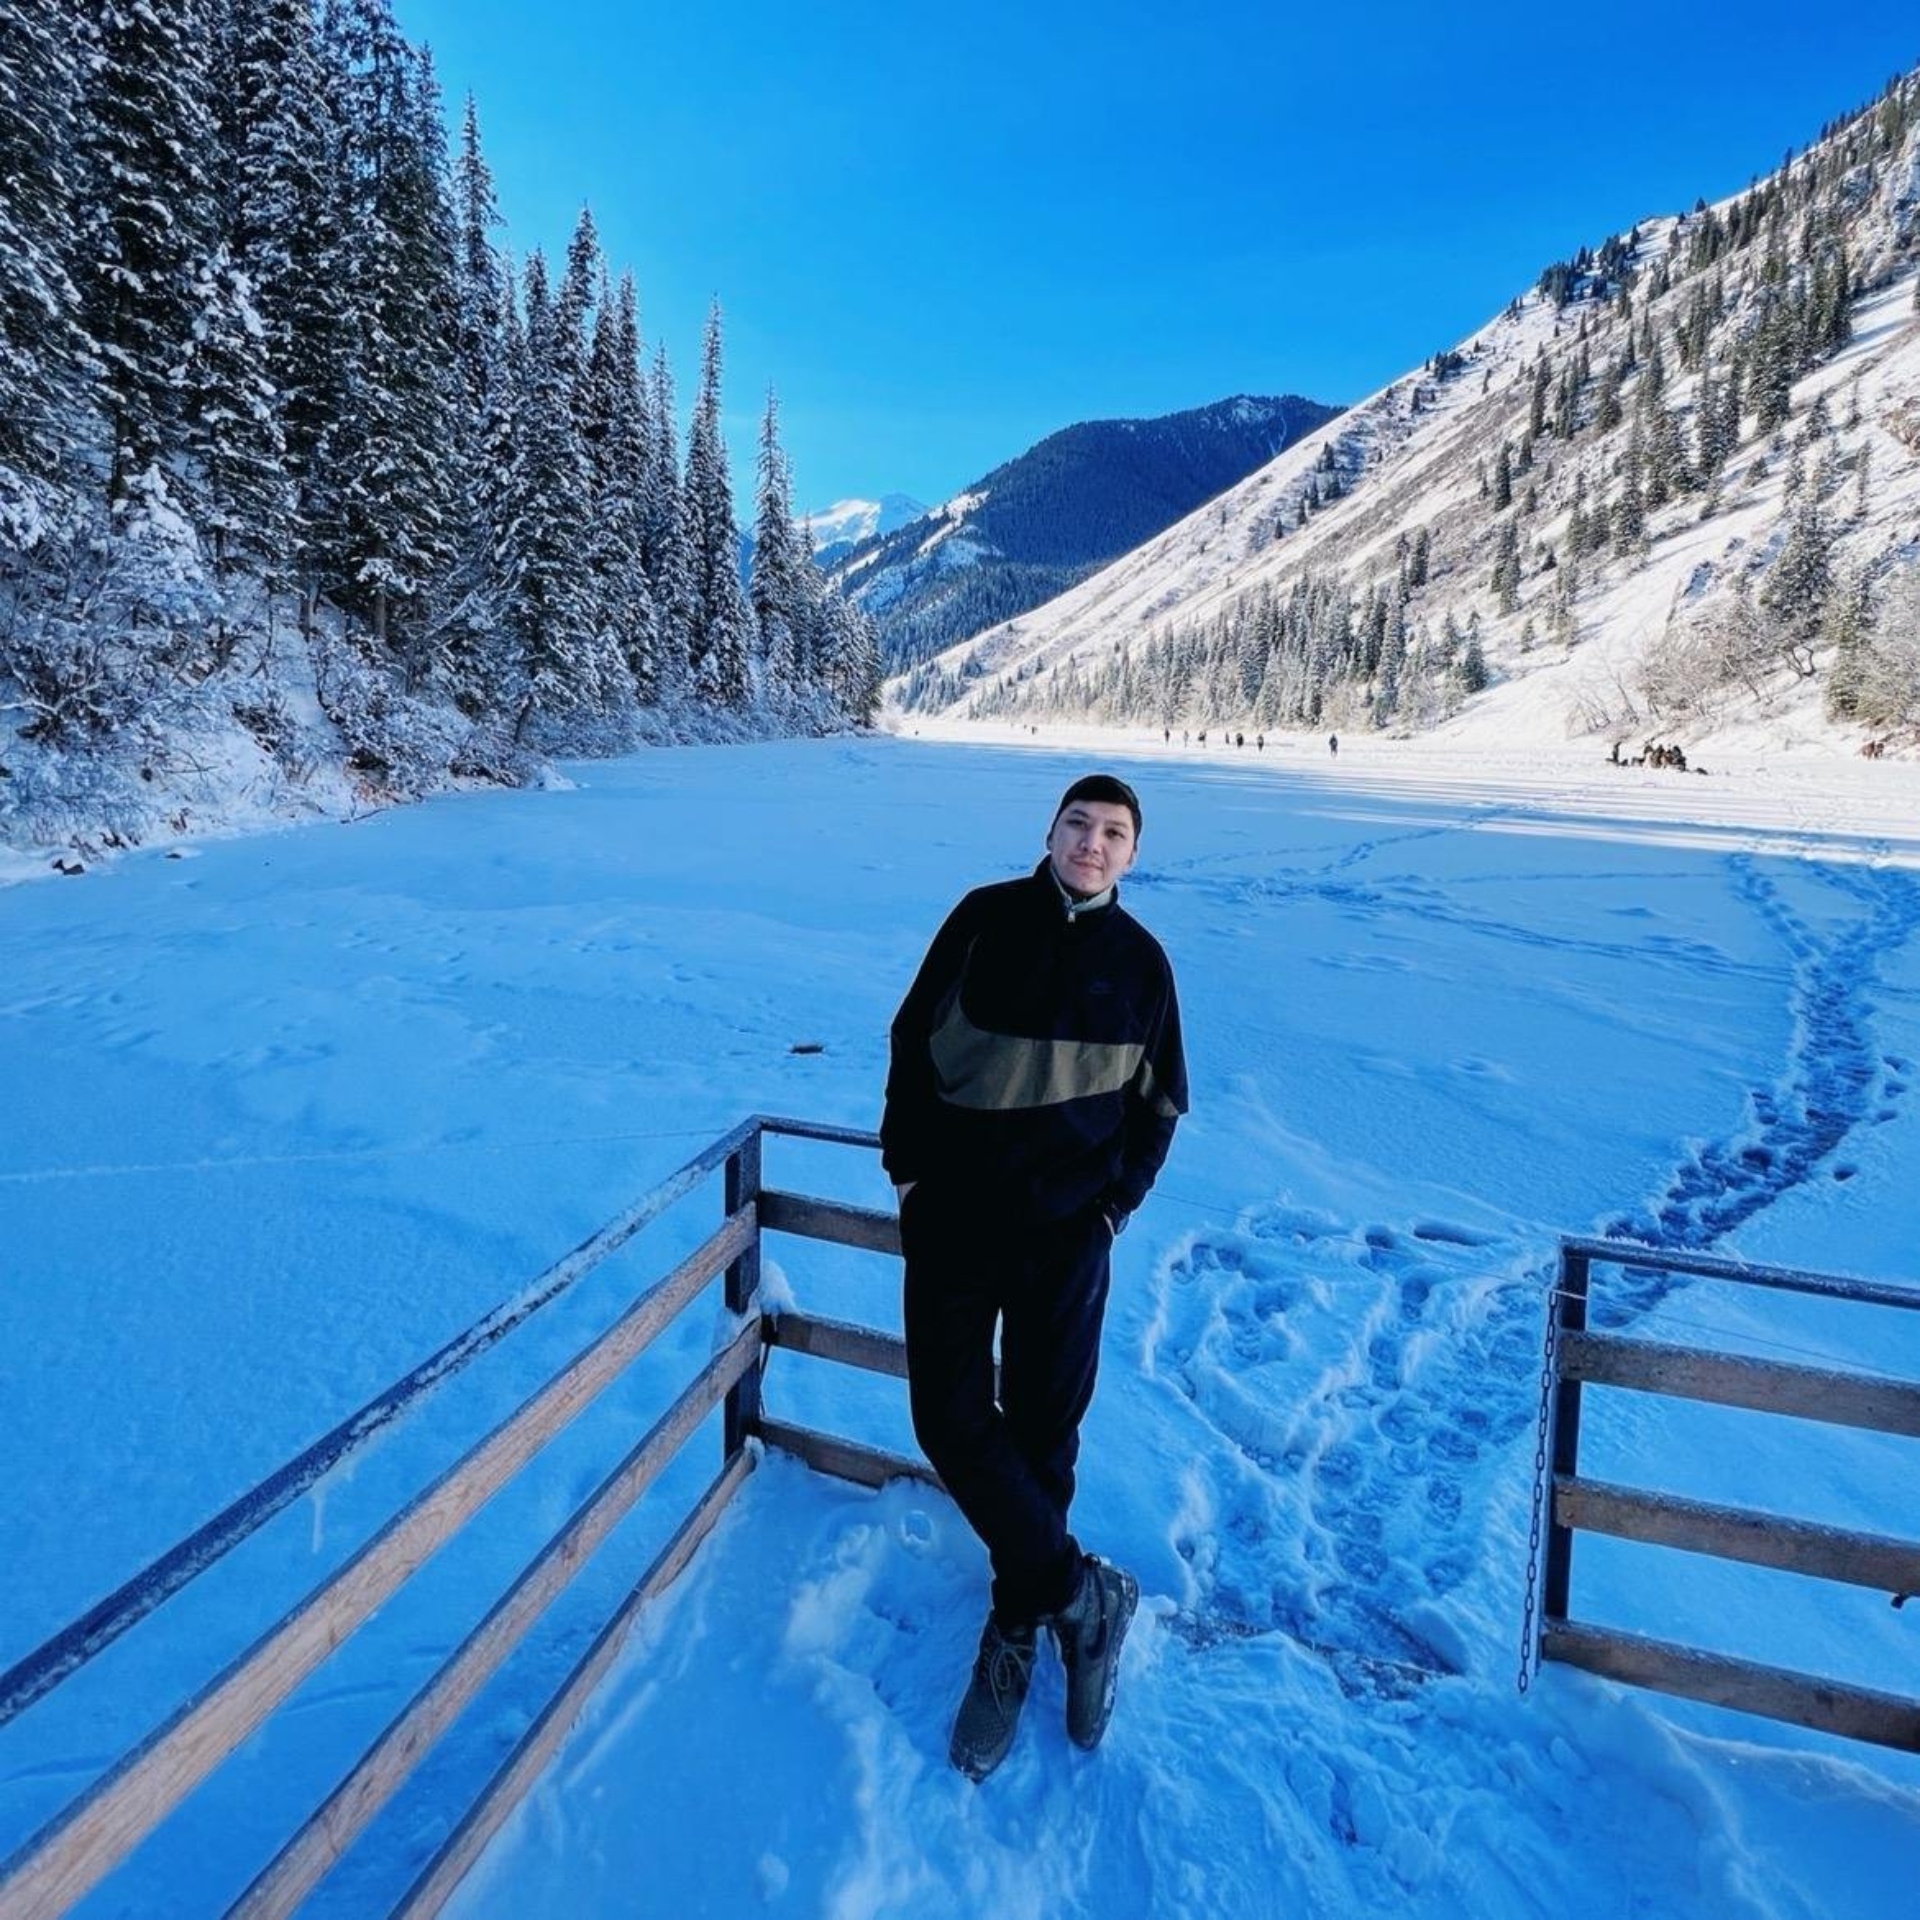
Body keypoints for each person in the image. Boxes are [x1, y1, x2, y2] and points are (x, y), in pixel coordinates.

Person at [881, 774, 1188, 1781]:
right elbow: (910, 1039)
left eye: (1114, 833)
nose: (1092, 844)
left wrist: (1111, 1210)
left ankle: (1017, 1627)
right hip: (958, 1220)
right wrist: (912, 1171)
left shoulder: (1142, 965)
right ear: (1048, 832)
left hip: (1066, 1239)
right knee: (950, 1418)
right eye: (1078, 825)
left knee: (1047, 1431)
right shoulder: (983, 918)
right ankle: (1079, 1593)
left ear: (1132, 854)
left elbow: (1160, 1106)